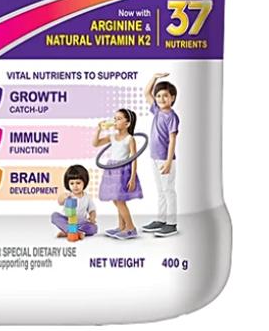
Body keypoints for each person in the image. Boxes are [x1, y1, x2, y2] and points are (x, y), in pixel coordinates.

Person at [93, 109, 143, 240]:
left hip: (122, 171)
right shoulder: (112, 137)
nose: (115, 121)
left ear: (127, 123)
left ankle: (130, 228)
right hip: (111, 170)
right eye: (114, 118)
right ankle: (122, 226)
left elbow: (134, 158)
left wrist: (132, 178)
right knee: (116, 199)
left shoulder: (129, 139)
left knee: (120, 201)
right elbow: (95, 144)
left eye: (119, 119)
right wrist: (98, 130)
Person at [141, 73, 180, 237]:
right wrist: (154, 78)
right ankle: (161, 219)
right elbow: (146, 92)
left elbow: (172, 140)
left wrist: (169, 161)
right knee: (160, 191)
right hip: (155, 157)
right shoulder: (157, 111)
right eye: (158, 96)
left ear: (172, 98)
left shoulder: (172, 117)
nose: (161, 98)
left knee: (168, 190)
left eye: (165, 95)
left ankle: (172, 223)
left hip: (165, 159)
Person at [51, 165, 97, 239]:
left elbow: (92, 210)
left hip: (81, 223)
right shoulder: (68, 195)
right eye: (72, 183)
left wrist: (92, 218)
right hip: (67, 221)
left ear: (84, 182)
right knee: (54, 216)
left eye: (78, 183)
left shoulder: (87, 197)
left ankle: (72, 232)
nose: (75, 186)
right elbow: (60, 202)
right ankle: (71, 231)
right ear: (68, 184)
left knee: (94, 228)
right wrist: (63, 197)